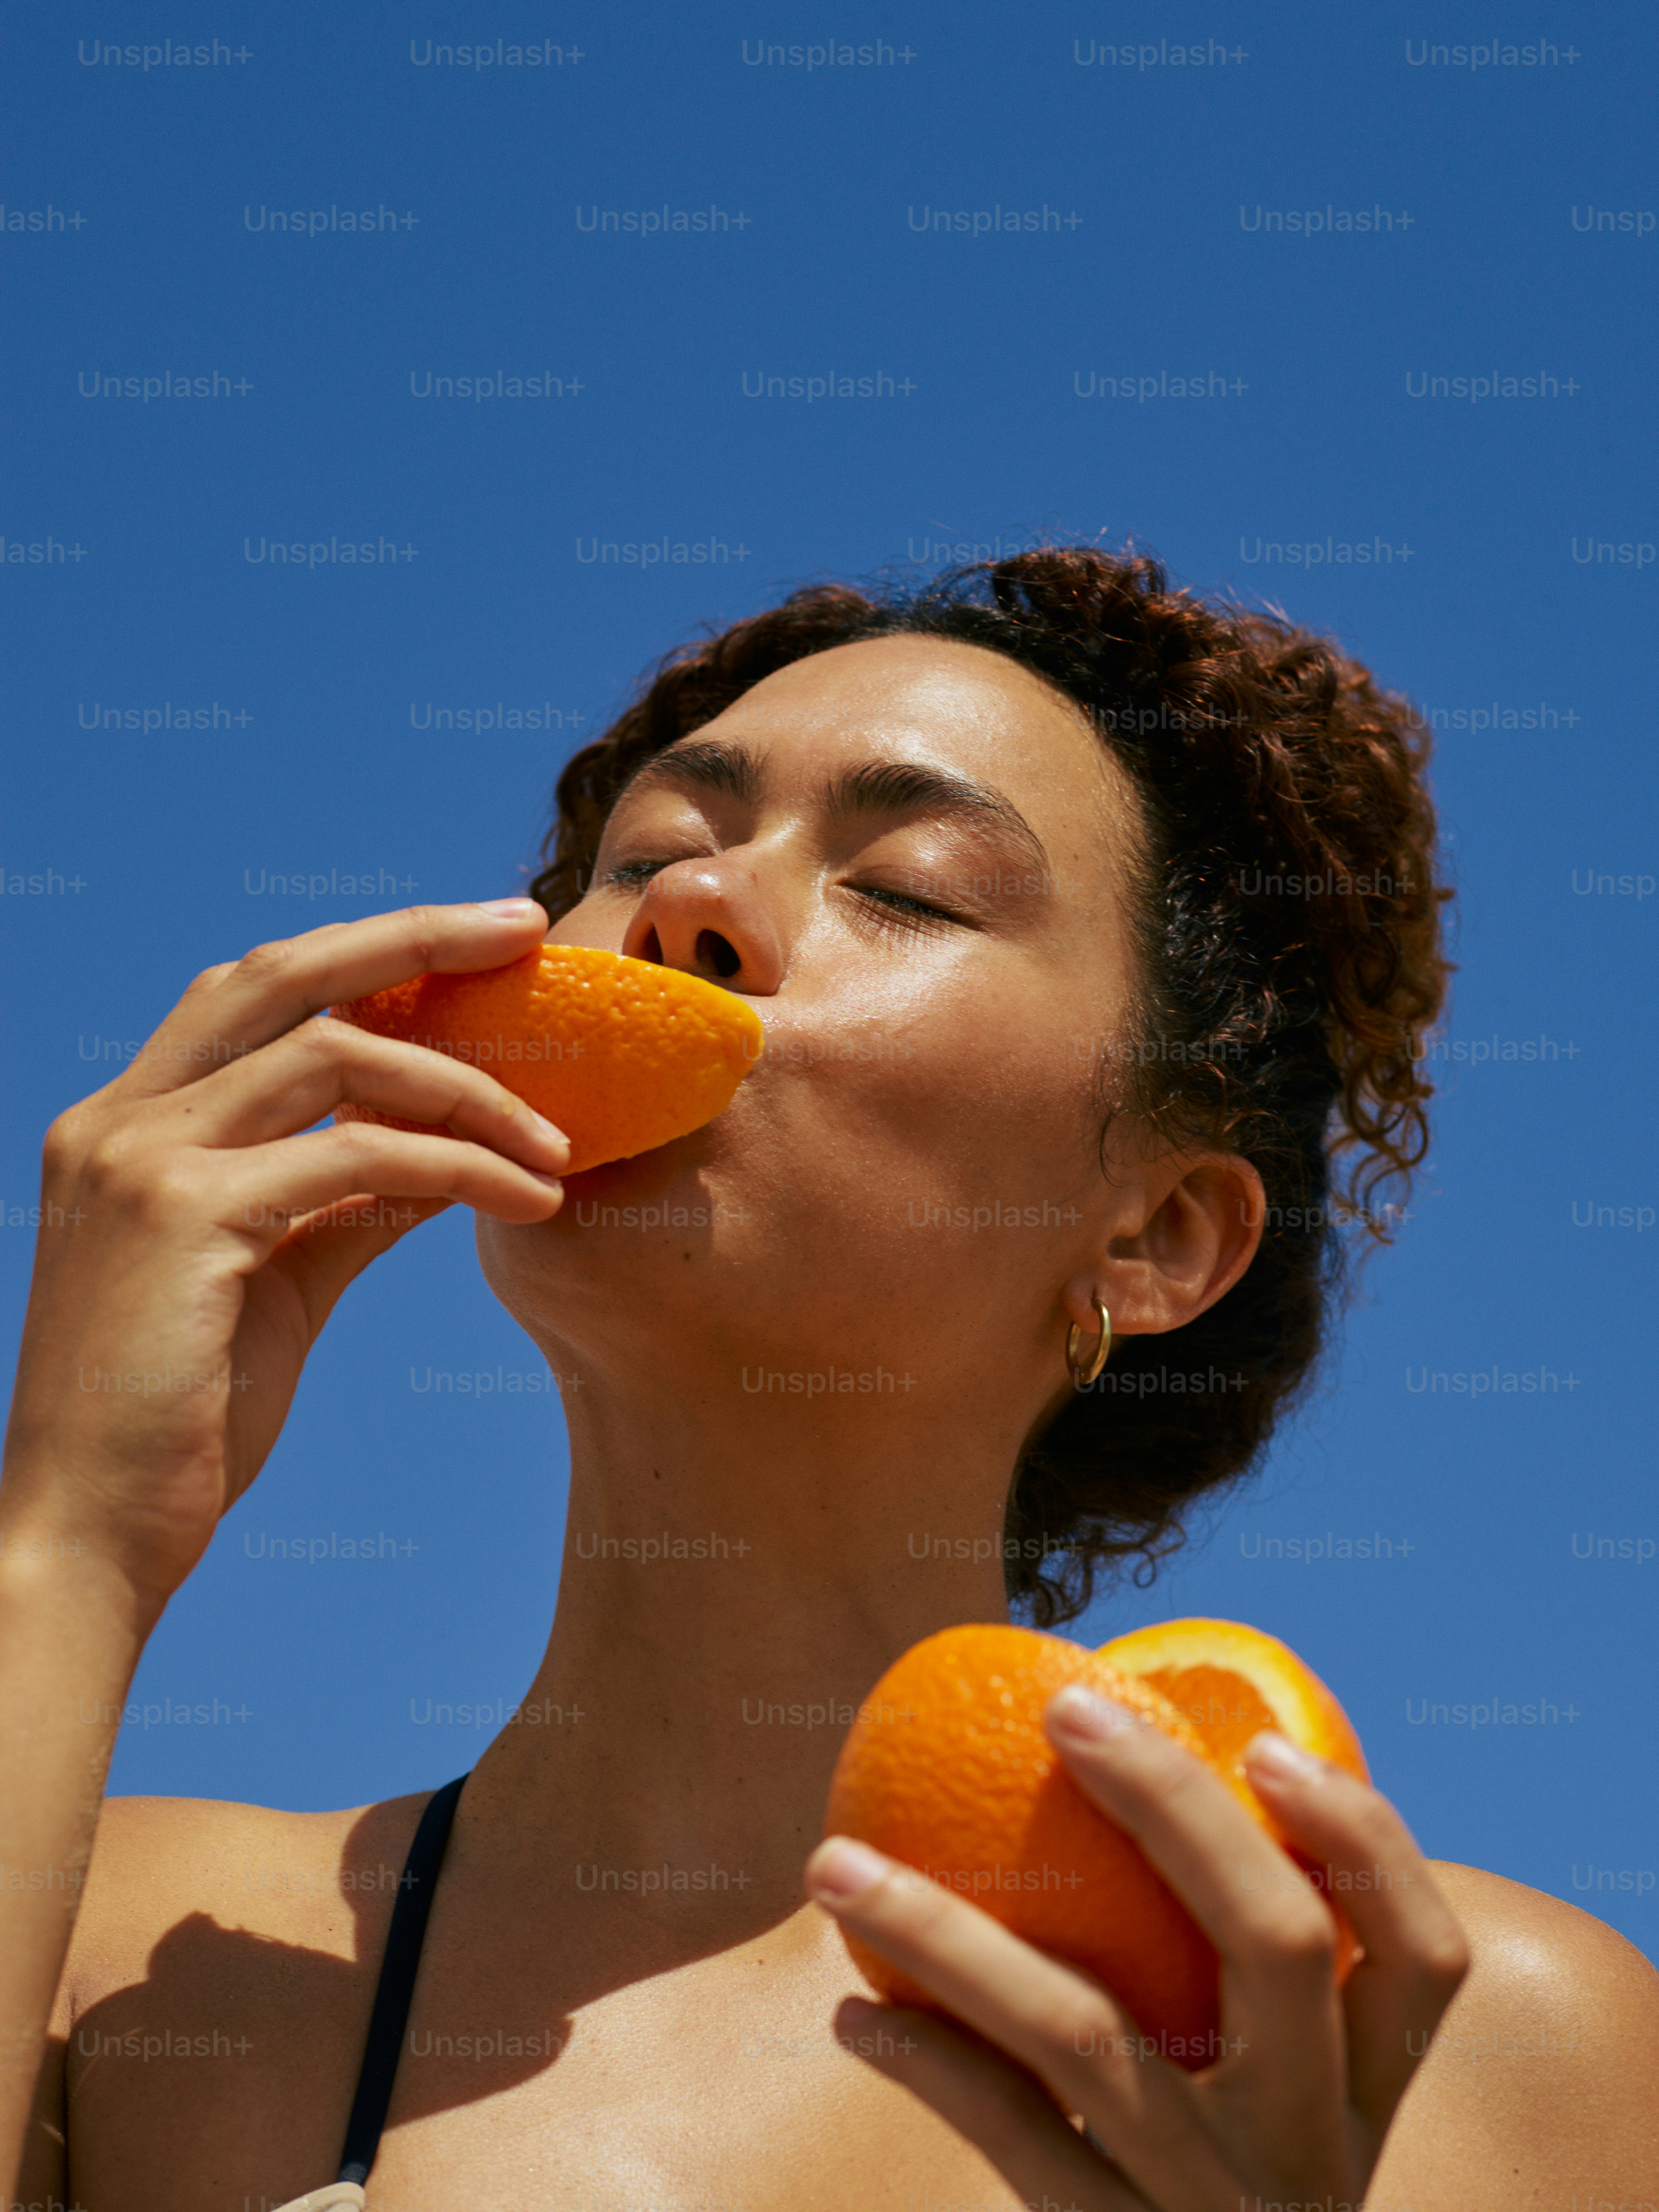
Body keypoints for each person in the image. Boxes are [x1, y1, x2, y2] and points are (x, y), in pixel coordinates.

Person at [2, 550, 1654, 2209]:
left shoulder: (1460, 2059)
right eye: (647, 853)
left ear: (1155, 1235)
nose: (688, 909)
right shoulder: (129, 1964)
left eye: (910, 889)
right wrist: (69, 1543)